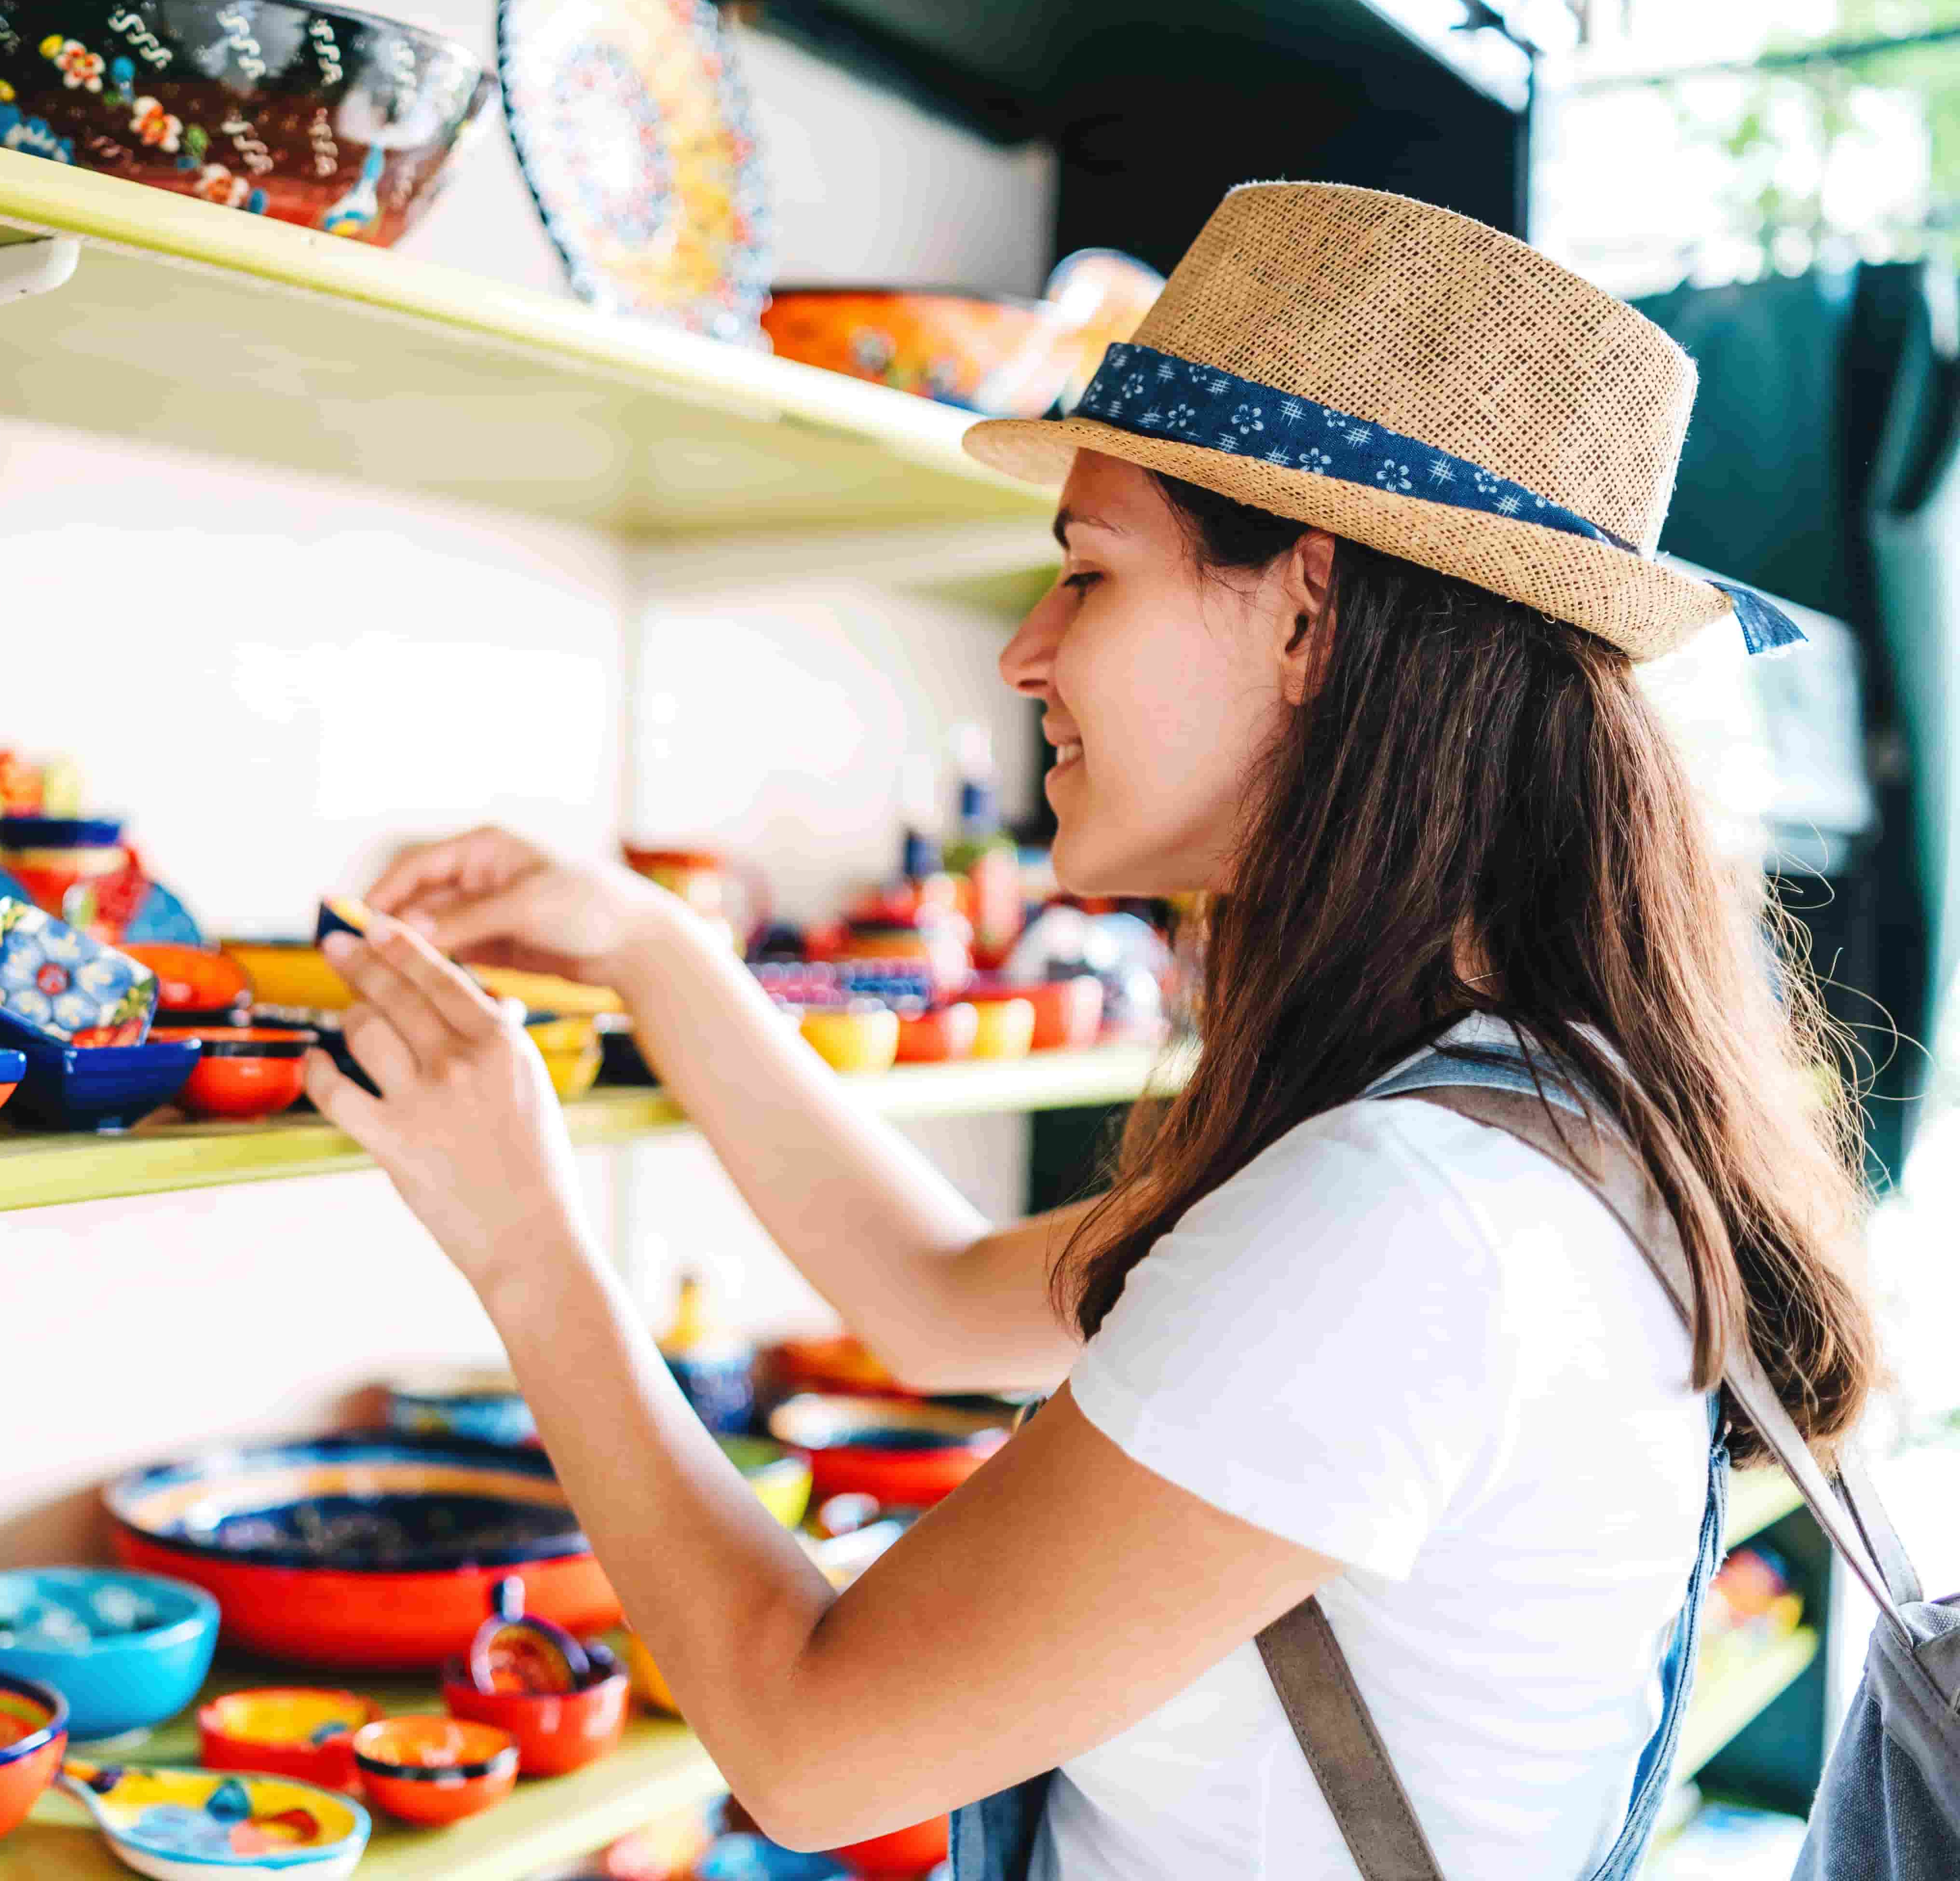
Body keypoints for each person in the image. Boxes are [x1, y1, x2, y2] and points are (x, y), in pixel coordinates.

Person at [301, 183, 1880, 1880]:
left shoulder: (1408, 1217)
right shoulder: (1545, 1113)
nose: (1028, 651)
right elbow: (937, 1302)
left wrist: (527, 1242)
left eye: (1087, 571)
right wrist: (653, 947)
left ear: (1305, 617)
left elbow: (814, 1746)